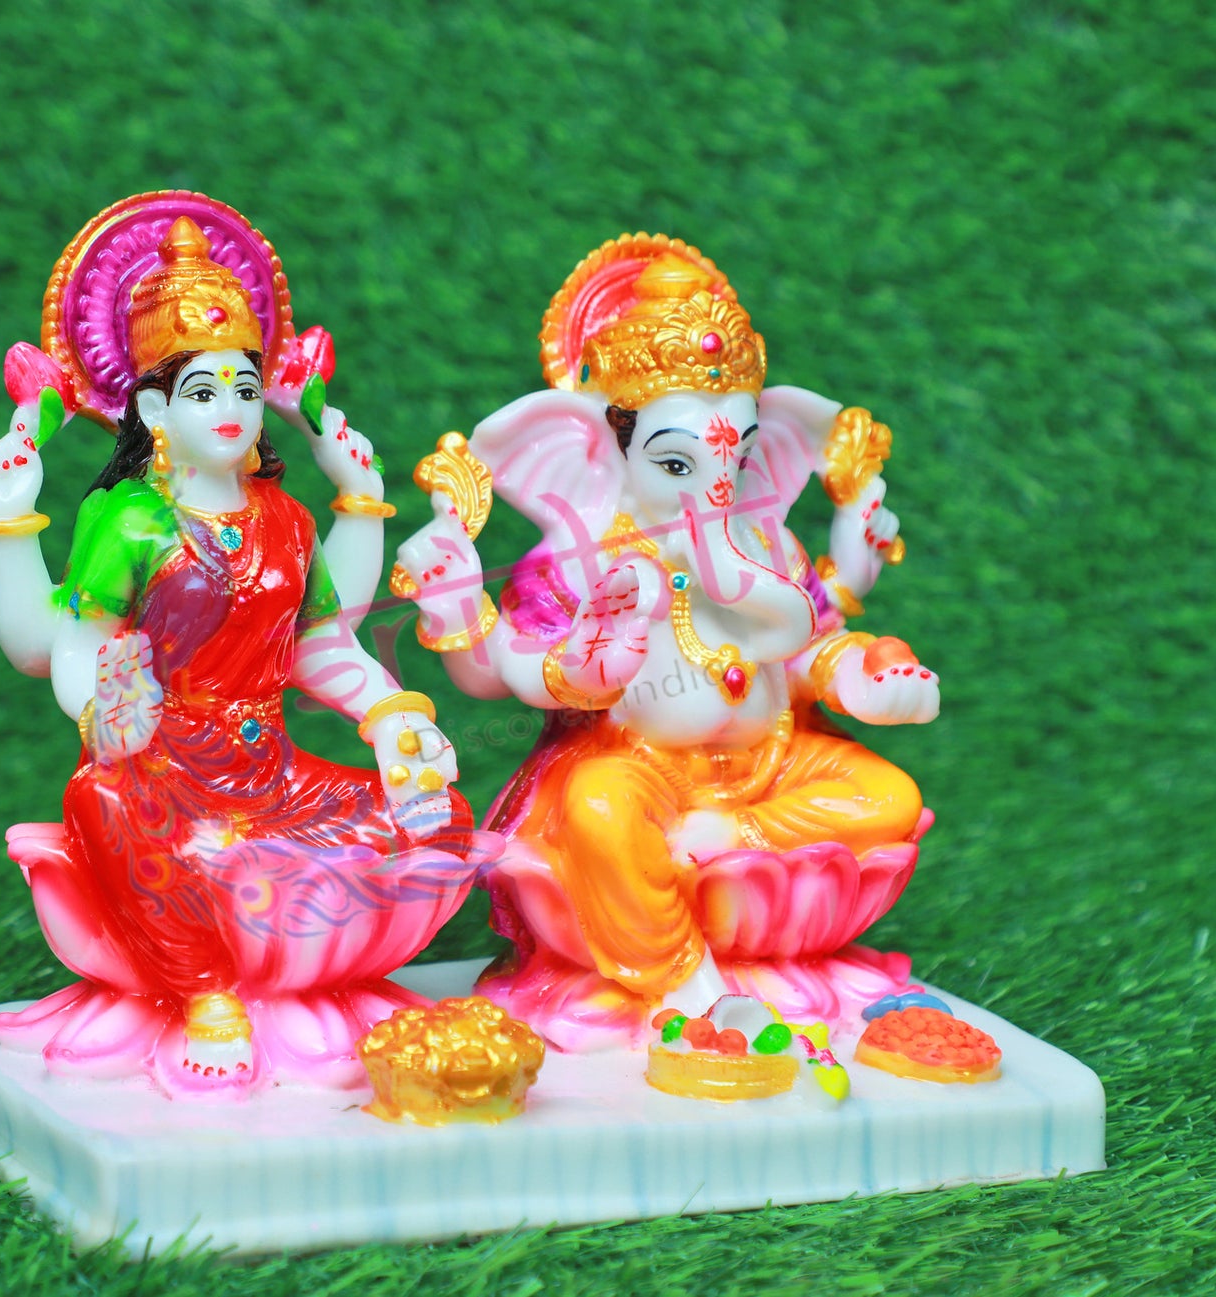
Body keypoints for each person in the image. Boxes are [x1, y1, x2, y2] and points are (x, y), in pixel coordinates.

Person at [0, 195, 487, 1096]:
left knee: (434, 814)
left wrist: (390, 717)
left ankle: (304, 959)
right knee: (102, 801)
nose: (232, 410)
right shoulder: (130, 521)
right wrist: (108, 712)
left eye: (245, 390)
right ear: (153, 408)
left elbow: (318, 649)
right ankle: (205, 989)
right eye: (203, 392)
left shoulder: (287, 521)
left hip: (270, 773)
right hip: (159, 769)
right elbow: (80, 645)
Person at [396, 235, 936, 1050]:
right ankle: (685, 982)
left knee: (888, 795)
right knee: (598, 809)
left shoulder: (766, 542)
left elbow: (804, 646)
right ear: (605, 449)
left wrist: (861, 674)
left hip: (770, 769)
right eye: (678, 465)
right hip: (637, 769)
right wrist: (491, 622)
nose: (717, 491)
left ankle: (734, 852)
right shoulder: (582, 559)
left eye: (737, 459)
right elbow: (499, 674)